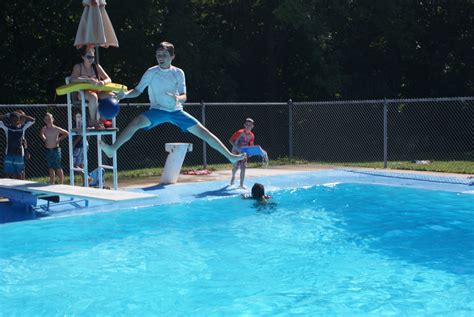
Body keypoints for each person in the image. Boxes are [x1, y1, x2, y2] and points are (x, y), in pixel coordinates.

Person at [100, 41, 245, 164]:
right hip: (157, 111)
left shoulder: (178, 73)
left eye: (164, 55)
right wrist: (123, 95)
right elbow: (137, 91)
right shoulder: (151, 72)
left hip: (176, 111)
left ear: (172, 56)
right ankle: (112, 149)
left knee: (205, 133)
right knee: (135, 123)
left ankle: (230, 157)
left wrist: (177, 99)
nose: (160, 58)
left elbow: (184, 96)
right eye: (158, 55)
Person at [70, 46, 113, 129]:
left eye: (92, 57)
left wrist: (103, 82)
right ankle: (93, 121)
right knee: (93, 97)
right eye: (88, 57)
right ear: (83, 57)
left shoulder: (96, 67)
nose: (91, 59)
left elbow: (109, 79)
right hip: (83, 93)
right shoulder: (78, 67)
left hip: (97, 91)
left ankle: (102, 119)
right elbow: (73, 79)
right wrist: (88, 80)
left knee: (112, 96)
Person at [0, 111, 35, 179]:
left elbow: (33, 120)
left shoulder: (22, 128)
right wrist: (7, 114)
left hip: (19, 153)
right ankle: (8, 188)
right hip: (9, 153)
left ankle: (20, 187)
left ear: (19, 120)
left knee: (20, 172)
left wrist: (22, 115)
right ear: (10, 120)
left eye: (16, 120)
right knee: (7, 172)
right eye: (13, 120)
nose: (14, 122)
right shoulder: (7, 127)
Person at [40, 113, 69, 184]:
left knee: (58, 166)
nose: (48, 121)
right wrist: (44, 139)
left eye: (49, 119)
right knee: (50, 166)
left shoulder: (56, 128)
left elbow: (66, 133)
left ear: (53, 119)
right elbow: (41, 135)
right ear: (44, 120)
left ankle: (61, 182)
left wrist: (59, 139)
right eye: (46, 119)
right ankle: (52, 181)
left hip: (55, 150)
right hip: (48, 150)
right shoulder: (44, 129)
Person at [229, 118, 255, 188]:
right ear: (244, 125)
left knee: (243, 168)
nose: (248, 126)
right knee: (236, 167)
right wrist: (237, 148)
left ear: (252, 126)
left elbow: (251, 146)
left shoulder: (252, 135)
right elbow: (231, 140)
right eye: (247, 125)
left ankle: (241, 185)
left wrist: (251, 152)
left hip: (243, 153)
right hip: (235, 151)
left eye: (250, 125)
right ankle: (233, 177)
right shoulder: (240, 132)